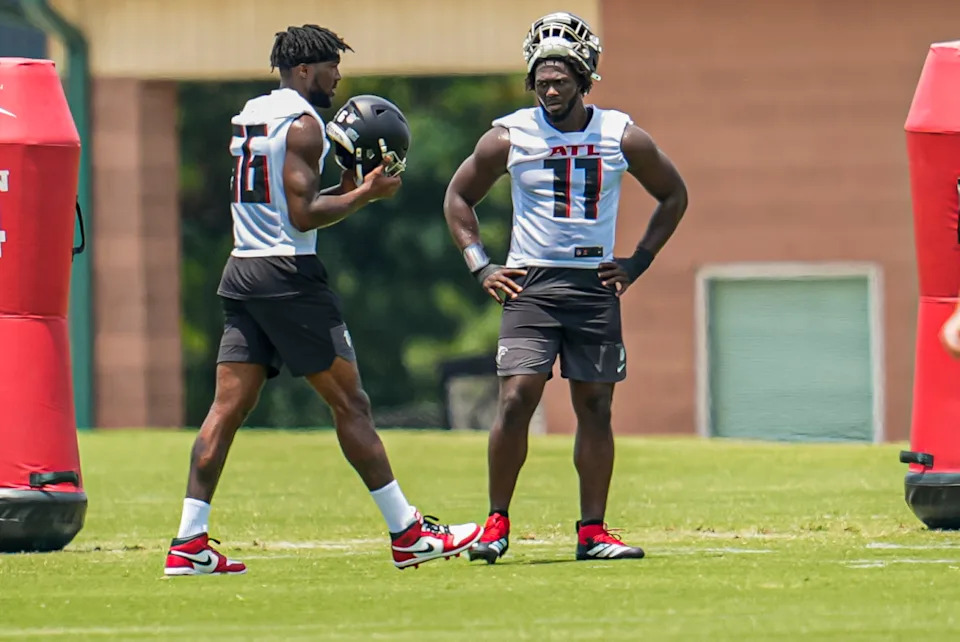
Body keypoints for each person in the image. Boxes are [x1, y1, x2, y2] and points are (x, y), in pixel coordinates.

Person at [164, 25, 481, 576]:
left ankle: (188, 542)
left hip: (243, 268)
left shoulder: (252, 114)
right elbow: (304, 214)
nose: (337, 77)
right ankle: (407, 534)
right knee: (351, 404)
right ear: (305, 69)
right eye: (332, 67)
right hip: (288, 276)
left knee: (226, 409)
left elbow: (289, 202)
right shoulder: (305, 124)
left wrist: (350, 188)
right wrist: (367, 193)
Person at [443, 12, 688, 563]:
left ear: (584, 78)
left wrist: (637, 262)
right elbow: (458, 197)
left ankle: (592, 531)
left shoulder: (621, 134)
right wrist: (481, 266)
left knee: (595, 406)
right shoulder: (508, 136)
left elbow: (674, 194)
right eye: (542, 81)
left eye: (560, 80)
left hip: (593, 287)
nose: (550, 91)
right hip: (530, 285)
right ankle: (496, 523)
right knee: (517, 398)